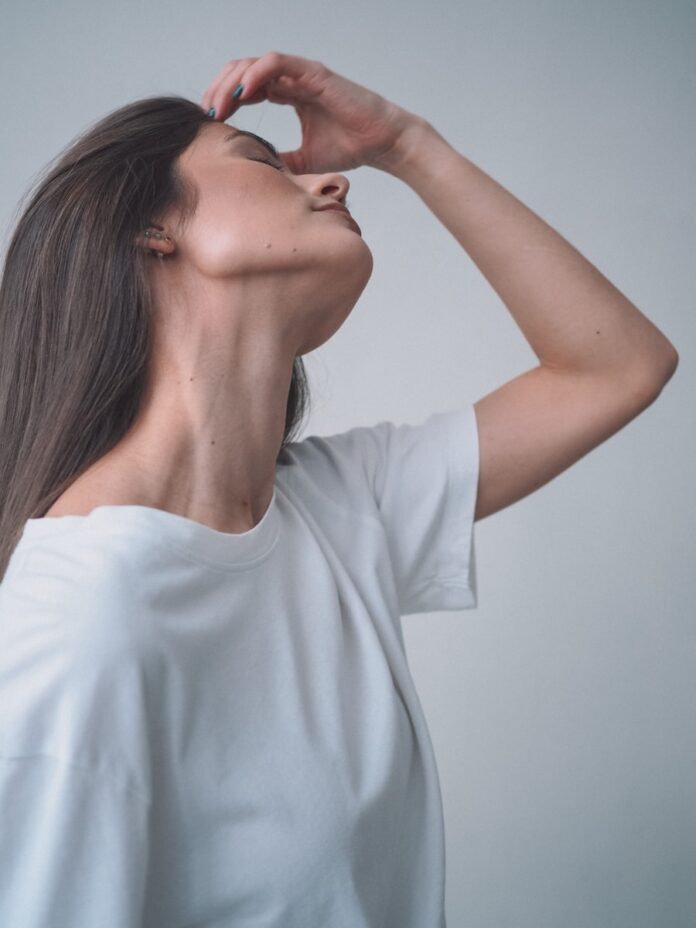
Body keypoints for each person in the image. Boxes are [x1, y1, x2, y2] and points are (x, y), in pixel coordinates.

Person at [0, 52, 678, 927]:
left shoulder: (337, 507)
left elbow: (619, 366)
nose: (330, 183)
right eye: (259, 161)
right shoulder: (74, 630)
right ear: (151, 225)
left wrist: (407, 145)